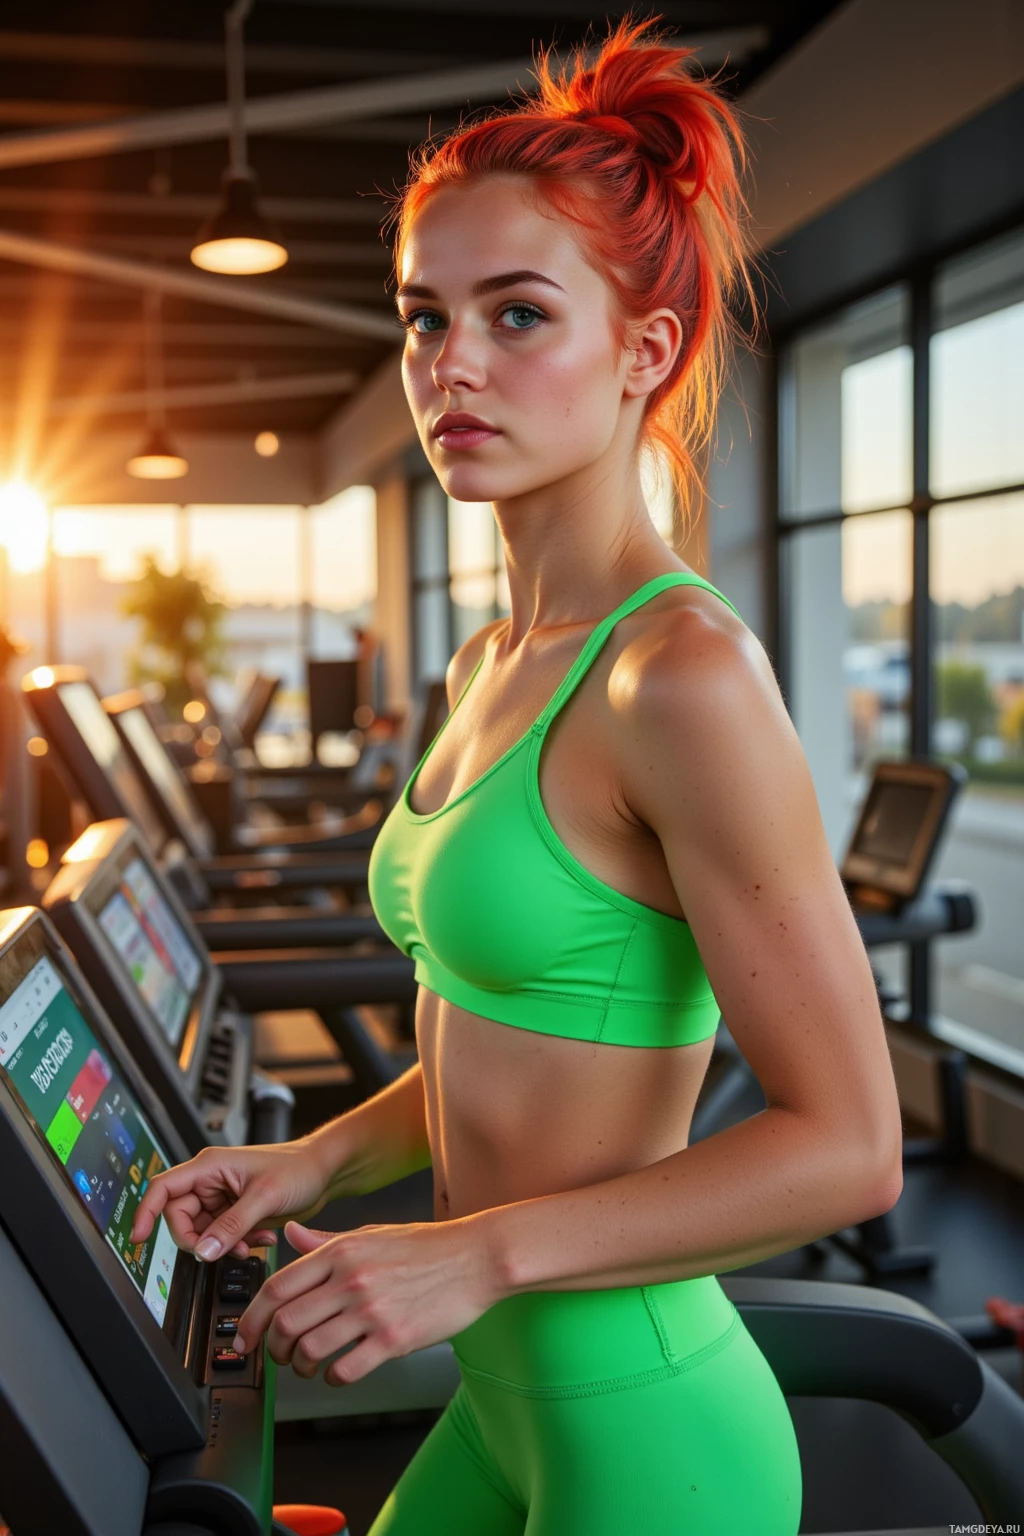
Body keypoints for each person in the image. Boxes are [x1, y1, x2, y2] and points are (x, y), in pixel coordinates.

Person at [132, 18, 904, 1533]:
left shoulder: (676, 673)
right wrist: (325, 1157)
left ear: (646, 351)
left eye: (518, 315)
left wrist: (469, 1252)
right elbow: (514, 1036)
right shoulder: (498, 663)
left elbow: (851, 1147)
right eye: (426, 318)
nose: (451, 366)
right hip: (502, 1405)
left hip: (648, 1430)